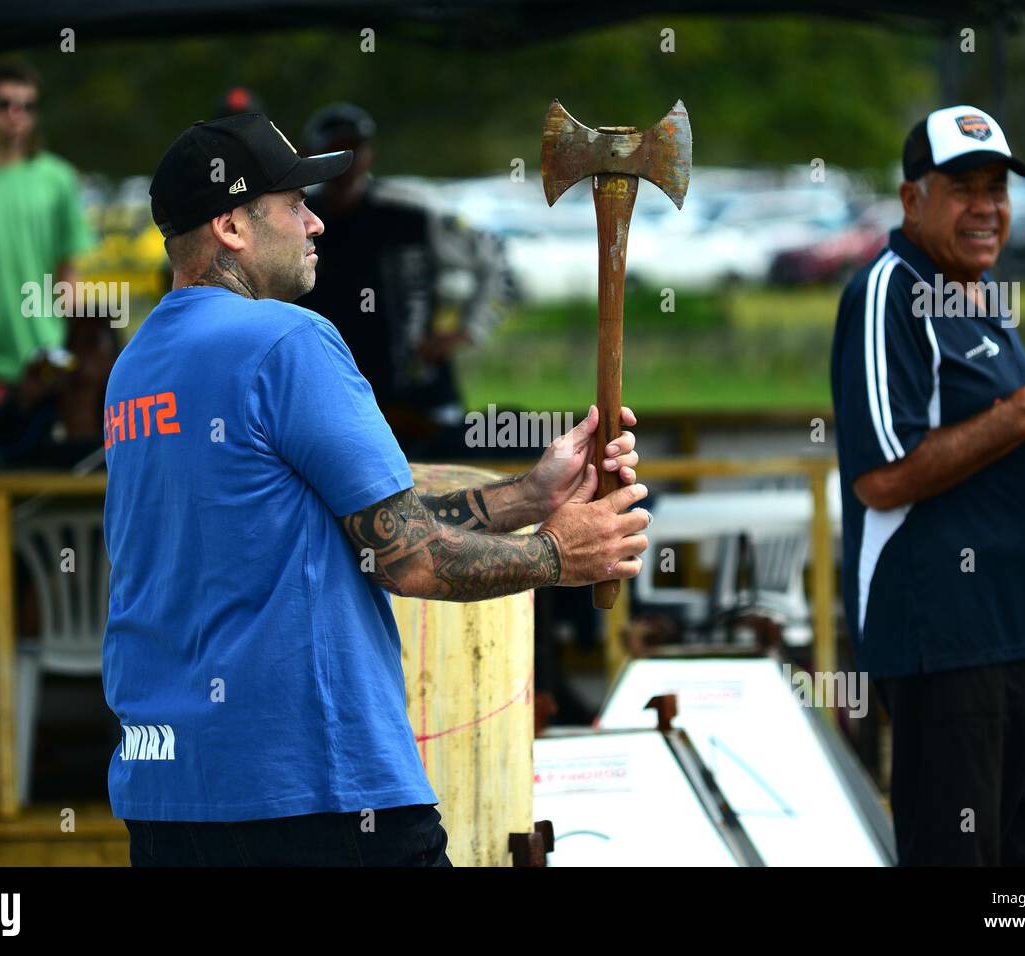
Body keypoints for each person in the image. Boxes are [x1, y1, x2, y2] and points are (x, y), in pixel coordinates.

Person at [103, 112, 648, 866]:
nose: (316, 221)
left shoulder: (135, 368)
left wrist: (530, 497)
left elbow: (363, 530)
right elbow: (409, 560)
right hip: (317, 788)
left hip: (168, 796)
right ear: (231, 225)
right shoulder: (289, 341)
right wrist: (560, 556)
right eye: (294, 204)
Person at [830, 105, 1025, 866]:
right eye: (963, 189)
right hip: (941, 641)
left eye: (997, 189)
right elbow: (882, 477)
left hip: (1008, 636)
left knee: (1022, 861)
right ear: (912, 198)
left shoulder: (977, 292)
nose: (986, 208)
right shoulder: (890, 292)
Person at [295, 102, 509, 457]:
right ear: (311, 155)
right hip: (332, 401)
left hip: (419, 397)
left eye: (354, 147)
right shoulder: (299, 215)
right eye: (333, 149)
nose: (346, 159)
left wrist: (467, 330)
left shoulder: (410, 212)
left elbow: (494, 259)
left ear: (369, 153)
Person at [0, 60, 99, 435]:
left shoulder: (58, 178)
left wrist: (69, 346)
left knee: (42, 479)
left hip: (44, 362)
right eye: (4, 103)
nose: (16, 115)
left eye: (27, 106)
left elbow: (69, 268)